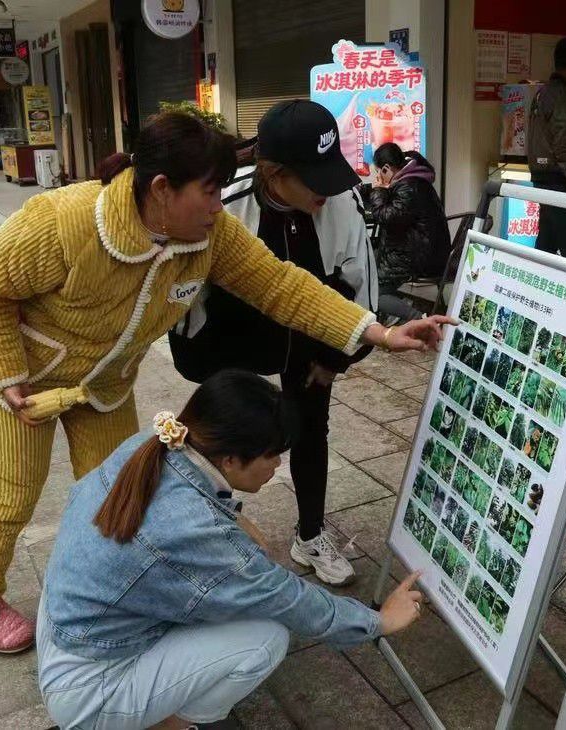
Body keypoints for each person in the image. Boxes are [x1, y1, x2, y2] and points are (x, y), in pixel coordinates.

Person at [0, 110, 451, 653]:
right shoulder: (63, 220)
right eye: (210, 193)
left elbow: (282, 286)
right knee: (10, 491)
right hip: (26, 381)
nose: (220, 207)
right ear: (163, 189)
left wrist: (379, 332)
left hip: (107, 384)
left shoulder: (207, 235)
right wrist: (5, 373)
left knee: (113, 491)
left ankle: (105, 585)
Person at [37, 369, 425, 729]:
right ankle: (170, 725)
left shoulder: (152, 445)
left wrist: (234, 518)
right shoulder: (197, 533)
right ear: (229, 459)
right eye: (272, 454)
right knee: (266, 637)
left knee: (229, 589)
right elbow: (286, 597)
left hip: (68, 628)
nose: (277, 466)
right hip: (88, 688)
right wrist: (377, 622)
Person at [169, 100, 377, 587]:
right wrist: (205, 371)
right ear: (273, 174)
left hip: (311, 339)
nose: (328, 192)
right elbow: (187, 300)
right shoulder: (227, 204)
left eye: (333, 173)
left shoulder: (343, 200)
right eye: (314, 179)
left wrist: (333, 362)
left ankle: (310, 534)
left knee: (310, 430)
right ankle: (212, 535)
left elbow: (361, 287)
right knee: (223, 438)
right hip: (234, 338)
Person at [368, 142, 451, 323]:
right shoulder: (417, 180)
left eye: (378, 172)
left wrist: (377, 191)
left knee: (371, 288)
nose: (378, 177)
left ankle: (416, 317)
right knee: (371, 262)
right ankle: (398, 307)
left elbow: (386, 217)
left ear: (386, 168)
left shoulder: (407, 186)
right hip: (427, 248)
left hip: (420, 255)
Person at [527, 36, 566, 262]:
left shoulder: (542, 93)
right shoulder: (562, 96)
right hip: (561, 180)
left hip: (542, 177)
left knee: (546, 244)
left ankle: (536, 294)